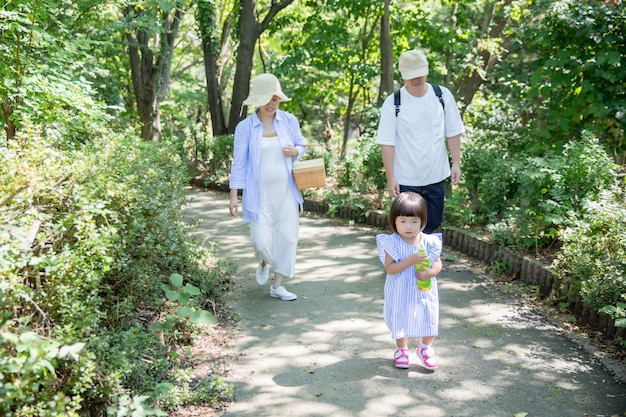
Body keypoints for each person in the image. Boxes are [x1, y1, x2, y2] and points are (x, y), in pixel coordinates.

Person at [228, 73, 307, 301]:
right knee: (261, 242)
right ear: (256, 100)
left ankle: (278, 285)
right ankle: (263, 261)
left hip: (287, 193)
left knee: (287, 238)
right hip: (257, 195)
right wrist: (234, 196)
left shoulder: (289, 120)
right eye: (266, 99)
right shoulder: (245, 128)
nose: (271, 104)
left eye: (275, 99)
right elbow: (239, 163)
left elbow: (302, 145)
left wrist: (296, 152)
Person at [376, 49, 465, 234]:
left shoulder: (442, 96)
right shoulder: (394, 103)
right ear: (403, 76)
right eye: (411, 76)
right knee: (407, 230)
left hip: (435, 177)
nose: (416, 79)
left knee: (432, 226)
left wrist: (456, 163)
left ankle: (425, 262)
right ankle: (408, 262)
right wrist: (390, 177)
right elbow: (387, 143)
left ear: (426, 70)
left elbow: (453, 131)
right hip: (406, 179)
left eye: (419, 74)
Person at [375, 192, 443, 370]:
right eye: (403, 221)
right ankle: (401, 349)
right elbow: (390, 268)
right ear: (394, 221)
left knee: (428, 316)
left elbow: (437, 263)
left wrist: (429, 273)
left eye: (414, 222)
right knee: (400, 316)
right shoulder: (392, 243)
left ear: (423, 221)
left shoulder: (429, 242)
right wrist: (411, 260)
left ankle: (425, 348)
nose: (409, 226)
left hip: (424, 289)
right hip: (399, 289)